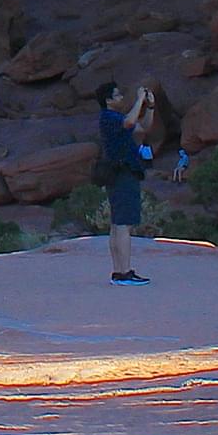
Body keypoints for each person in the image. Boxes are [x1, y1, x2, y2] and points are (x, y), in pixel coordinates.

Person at [94, 82, 153, 284]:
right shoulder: (109, 117)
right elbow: (130, 122)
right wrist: (139, 99)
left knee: (118, 224)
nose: (121, 98)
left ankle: (119, 271)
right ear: (108, 100)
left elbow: (143, 127)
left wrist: (150, 107)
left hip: (121, 173)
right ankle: (124, 272)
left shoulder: (114, 118)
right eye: (117, 95)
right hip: (122, 173)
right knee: (123, 224)